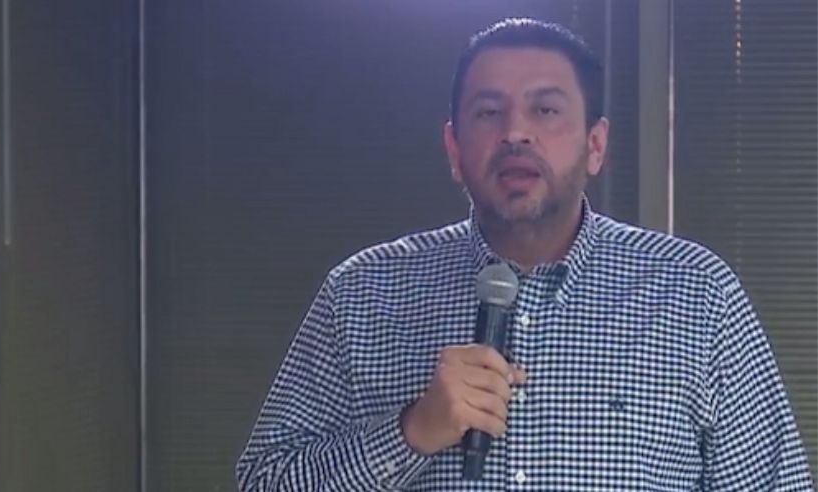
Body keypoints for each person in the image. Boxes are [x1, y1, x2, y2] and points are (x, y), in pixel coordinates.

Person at [235, 17, 814, 490]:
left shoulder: (696, 293)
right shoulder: (363, 294)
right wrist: (412, 431)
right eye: (489, 112)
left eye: (545, 110)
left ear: (595, 145)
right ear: (454, 149)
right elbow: (264, 482)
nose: (515, 133)